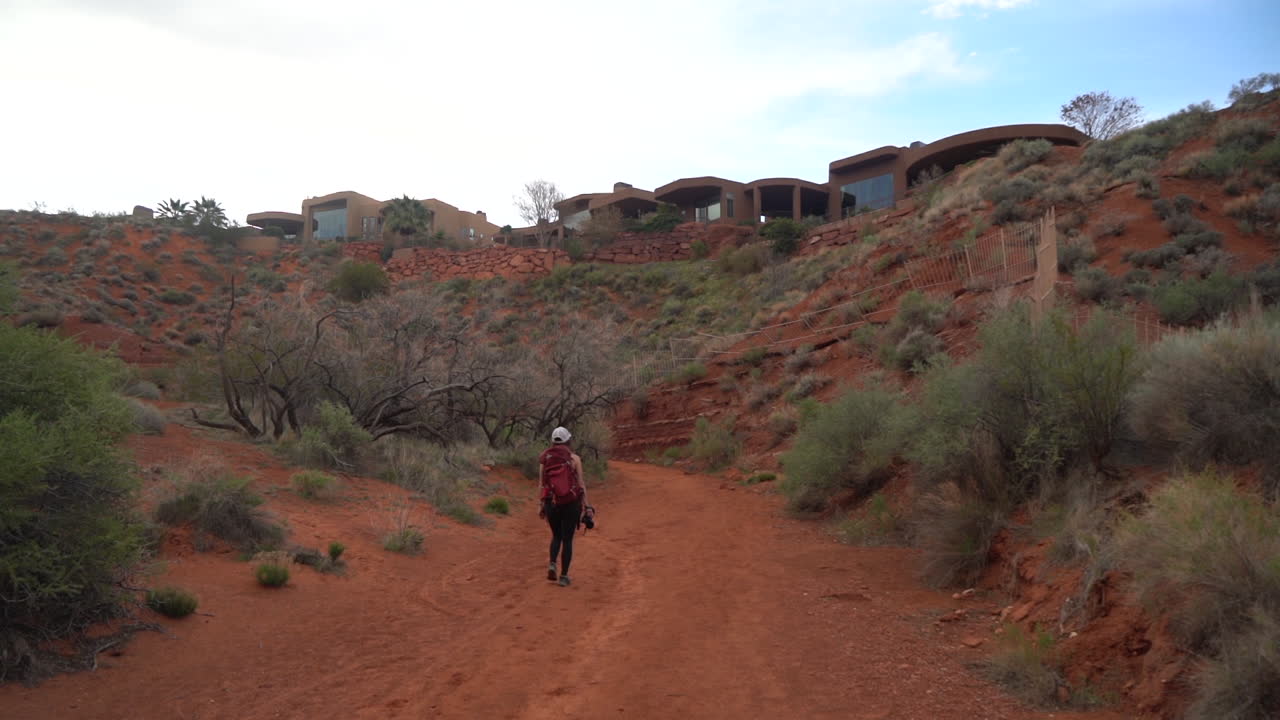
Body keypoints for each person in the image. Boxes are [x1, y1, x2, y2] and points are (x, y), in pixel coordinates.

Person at [539, 426, 586, 587]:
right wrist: (586, 506)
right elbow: (581, 484)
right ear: (568, 440)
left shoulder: (545, 458)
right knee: (567, 539)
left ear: (552, 441)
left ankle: (552, 563)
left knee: (556, 536)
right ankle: (564, 576)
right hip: (570, 502)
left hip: (551, 502)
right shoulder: (575, 459)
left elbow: (542, 484)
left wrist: (542, 504)